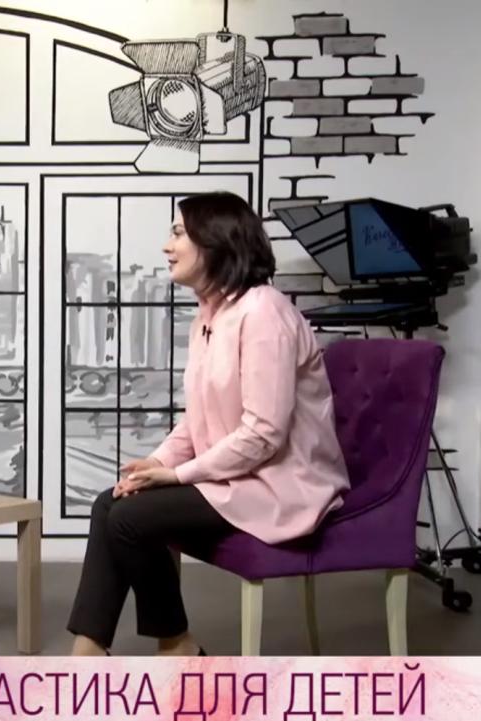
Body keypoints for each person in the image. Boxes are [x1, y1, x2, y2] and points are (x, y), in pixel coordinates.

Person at [67, 191, 350, 657]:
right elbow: (196, 417)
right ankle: (88, 652)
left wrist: (178, 475)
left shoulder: (264, 312)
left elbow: (264, 433)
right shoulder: (210, 316)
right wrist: (157, 463)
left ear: (216, 241)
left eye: (179, 233)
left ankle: (177, 645)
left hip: (281, 484)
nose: (167, 245)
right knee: (110, 503)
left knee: (131, 519)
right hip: (240, 476)